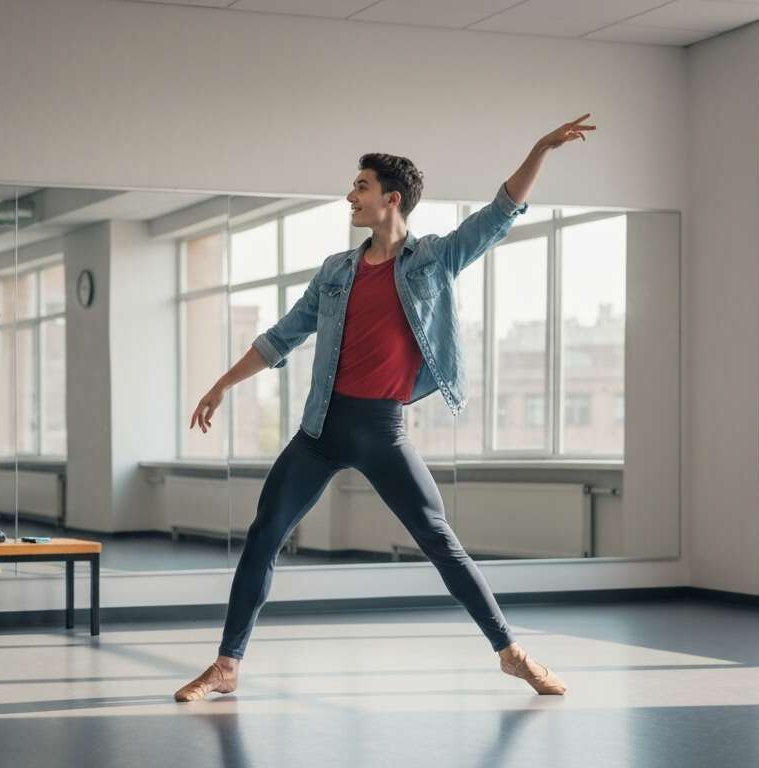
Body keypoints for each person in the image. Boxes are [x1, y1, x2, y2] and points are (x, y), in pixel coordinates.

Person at [176, 115, 596, 702]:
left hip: (382, 430)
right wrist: (222, 384)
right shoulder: (335, 272)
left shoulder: (432, 261)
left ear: (391, 199)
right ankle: (227, 664)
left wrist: (540, 150)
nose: (350, 196)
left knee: (440, 541)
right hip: (321, 429)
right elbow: (282, 336)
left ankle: (511, 652)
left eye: (361, 186)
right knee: (264, 533)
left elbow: (499, 214)